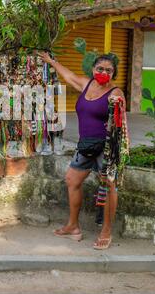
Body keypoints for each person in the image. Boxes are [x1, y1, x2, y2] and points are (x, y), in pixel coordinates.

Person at [38, 52, 125, 250]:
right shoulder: (86, 84)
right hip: (85, 145)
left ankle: (106, 231)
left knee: (109, 187)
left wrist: (113, 155)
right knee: (72, 180)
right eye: (100, 69)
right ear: (93, 70)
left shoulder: (115, 93)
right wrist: (52, 61)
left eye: (108, 70)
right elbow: (68, 76)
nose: (104, 72)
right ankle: (73, 226)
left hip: (106, 148)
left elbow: (121, 126)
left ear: (113, 73)